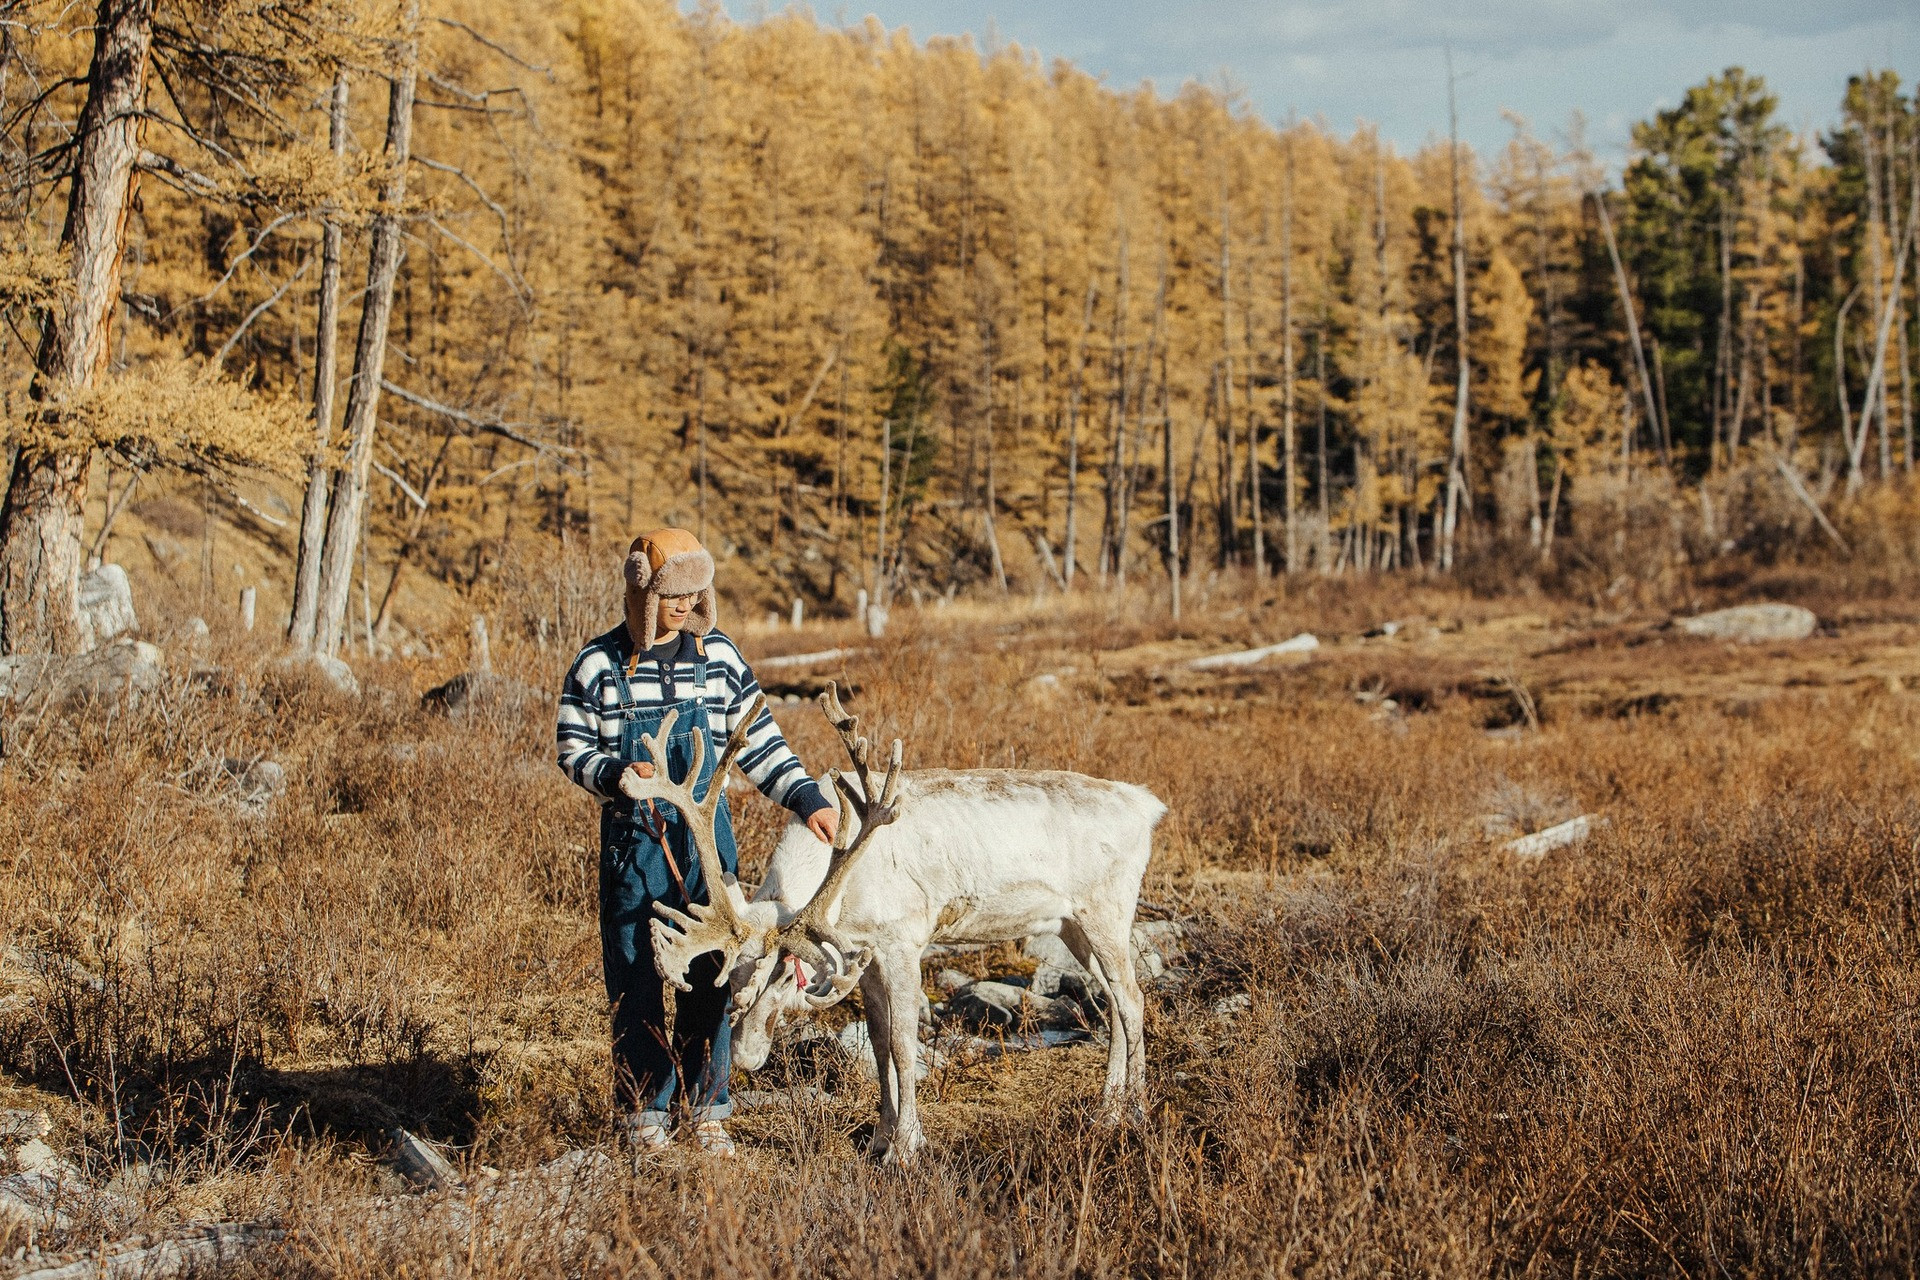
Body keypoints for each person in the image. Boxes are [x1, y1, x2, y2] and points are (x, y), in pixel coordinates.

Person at [555, 528, 837, 1157]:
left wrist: (806, 797)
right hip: (635, 847)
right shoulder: (597, 665)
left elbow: (759, 742)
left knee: (714, 970)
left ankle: (706, 1108)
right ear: (643, 592)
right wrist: (614, 776)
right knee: (635, 976)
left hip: (708, 847)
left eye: (693, 594)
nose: (684, 606)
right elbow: (572, 748)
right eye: (671, 595)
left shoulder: (720, 660)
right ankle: (644, 1115)